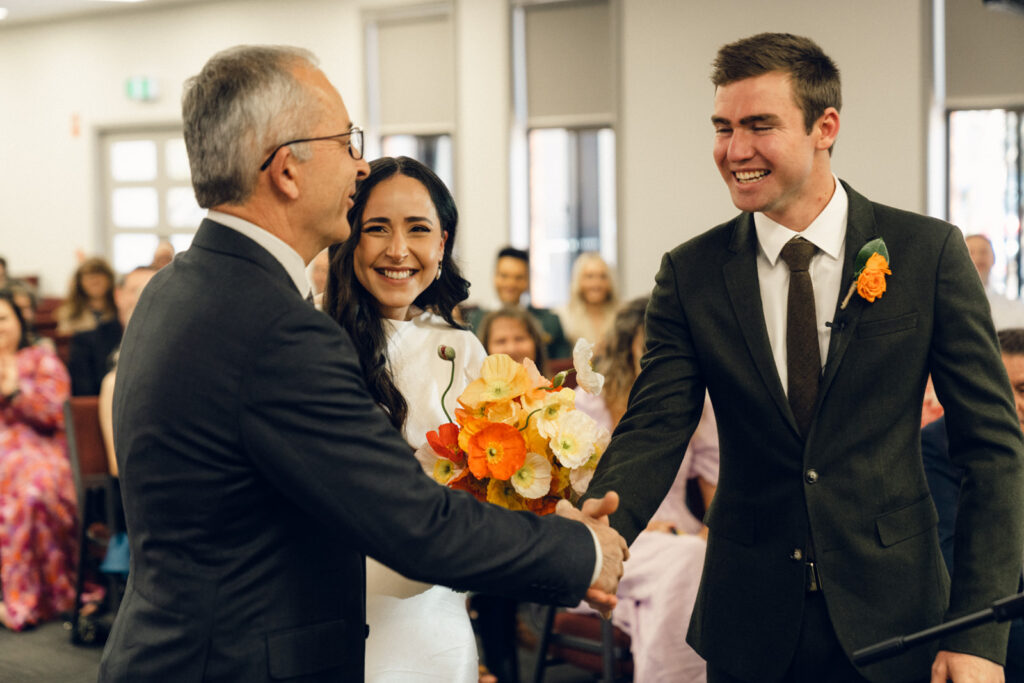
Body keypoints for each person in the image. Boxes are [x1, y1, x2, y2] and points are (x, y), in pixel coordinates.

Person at [98, 45, 626, 682]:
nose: (362, 162)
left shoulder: (174, 287)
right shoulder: (279, 328)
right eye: (346, 141)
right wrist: (580, 551)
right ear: (287, 170)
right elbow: (411, 523)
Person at [581, 32, 1024, 683]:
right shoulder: (692, 271)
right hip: (749, 621)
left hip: (902, 618)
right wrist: (598, 531)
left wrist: (981, 634)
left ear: (825, 126)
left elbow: (991, 448)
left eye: (759, 125)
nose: (735, 151)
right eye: (723, 128)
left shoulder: (926, 252)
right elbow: (655, 425)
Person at [323, 155, 488, 681]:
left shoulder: (465, 351)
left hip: (434, 606)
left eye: (418, 229)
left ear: (442, 243)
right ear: (351, 239)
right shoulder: (316, 342)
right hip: (335, 599)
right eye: (376, 229)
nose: (398, 250)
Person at [575, 296, 718, 683]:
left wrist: (711, 535)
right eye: (653, 345)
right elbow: (578, 496)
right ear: (629, 346)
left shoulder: (696, 402)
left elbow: (714, 489)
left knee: (705, 561)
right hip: (615, 535)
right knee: (687, 562)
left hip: (684, 534)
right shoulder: (591, 403)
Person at [922, 327, 1024, 683]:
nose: (1017, 404)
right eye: (1013, 389)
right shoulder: (937, 448)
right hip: (985, 639)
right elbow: (953, 570)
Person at [0, 291, 77, 631]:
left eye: (3, 318)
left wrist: (16, 393)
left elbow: (56, 413)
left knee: (35, 489)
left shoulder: (41, 359)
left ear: (19, 320)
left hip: (40, 446)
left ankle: (43, 596)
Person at [467, 247, 572, 360]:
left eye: (518, 277)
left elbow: (561, 366)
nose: (511, 283)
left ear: (527, 281)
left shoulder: (550, 321)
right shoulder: (472, 322)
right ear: (494, 277)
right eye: (504, 276)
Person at [559, 251, 619, 352]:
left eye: (603, 276)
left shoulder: (621, 315)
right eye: (589, 276)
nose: (596, 283)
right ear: (578, 281)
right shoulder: (563, 317)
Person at [966, 234, 1024, 330]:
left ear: (993, 259)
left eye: (983, 252)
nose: (978, 258)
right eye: (971, 252)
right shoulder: (949, 304)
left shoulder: (1014, 307)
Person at [55, 256, 117, 335]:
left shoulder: (120, 311)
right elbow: (65, 340)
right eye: (89, 278)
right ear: (80, 283)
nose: (94, 282)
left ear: (109, 280)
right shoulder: (69, 313)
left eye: (99, 276)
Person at [477, 305, 548, 373]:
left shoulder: (555, 385)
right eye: (501, 341)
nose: (511, 349)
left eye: (519, 339)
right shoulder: (472, 385)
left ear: (536, 343)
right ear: (485, 348)